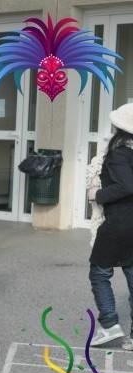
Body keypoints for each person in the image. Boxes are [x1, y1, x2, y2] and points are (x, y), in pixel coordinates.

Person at [89, 102, 133, 348]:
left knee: (99, 271)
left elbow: (127, 186)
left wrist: (98, 194)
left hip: (120, 222)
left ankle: (110, 325)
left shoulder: (119, 154)